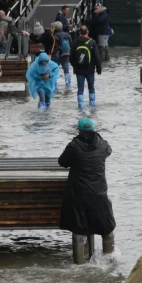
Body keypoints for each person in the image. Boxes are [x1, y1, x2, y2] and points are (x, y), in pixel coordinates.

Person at [58, 118, 115, 259]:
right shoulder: (103, 145)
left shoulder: (74, 146)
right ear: (94, 130)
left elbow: (62, 162)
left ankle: (79, 265)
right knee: (107, 230)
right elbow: (109, 151)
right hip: (99, 196)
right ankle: (110, 261)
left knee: (79, 232)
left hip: (79, 197)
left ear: (79, 131)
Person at [72, 25, 101, 109]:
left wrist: (75, 66)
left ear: (79, 32)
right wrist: (98, 68)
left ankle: (81, 106)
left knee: (80, 88)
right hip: (90, 70)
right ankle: (92, 106)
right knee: (91, 87)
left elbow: (71, 57)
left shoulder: (75, 42)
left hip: (79, 70)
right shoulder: (92, 42)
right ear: (87, 32)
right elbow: (97, 57)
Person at [54, 22, 73, 88]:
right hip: (66, 54)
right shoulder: (67, 34)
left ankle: (55, 85)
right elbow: (71, 44)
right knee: (66, 70)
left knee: (54, 69)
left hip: (57, 55)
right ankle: (68, 84)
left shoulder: (54, 35)